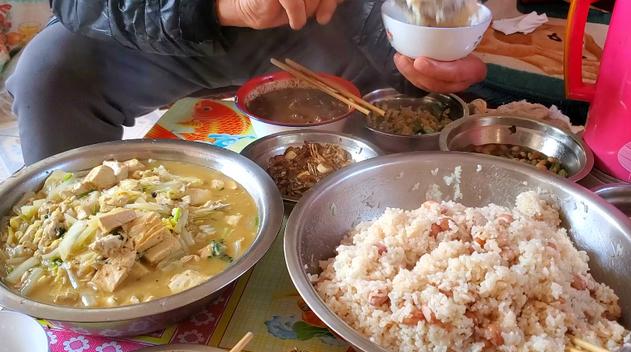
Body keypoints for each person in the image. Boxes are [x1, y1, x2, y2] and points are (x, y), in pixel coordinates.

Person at [6, 0, 487, 165]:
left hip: (326, 26)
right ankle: (83, 243)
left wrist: (421, 43)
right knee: (51, 74)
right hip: (170, 27)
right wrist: (217, 8)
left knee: (398, 105)